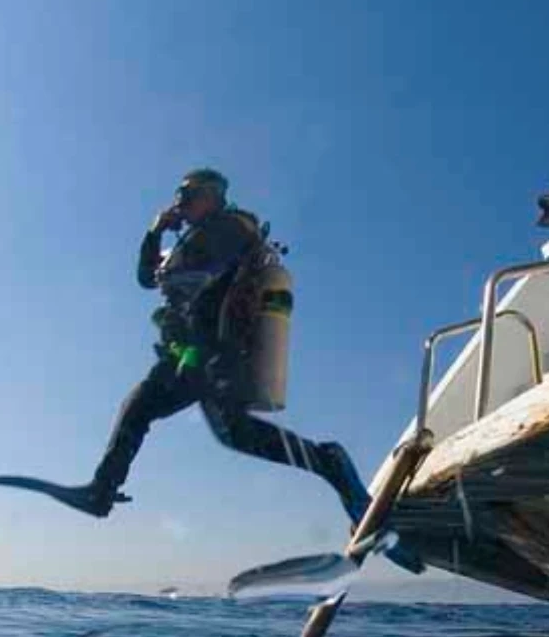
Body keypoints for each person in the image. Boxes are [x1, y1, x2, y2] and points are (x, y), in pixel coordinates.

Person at [78, 168, 370, 521]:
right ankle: (329, 462)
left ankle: (102, 489)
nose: (180, 203)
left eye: (189, 196)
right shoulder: (192, 242)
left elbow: (209, 285)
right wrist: (154, 233)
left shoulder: (230, 227)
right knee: (222, 430)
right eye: (179, 197)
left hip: (213, 350)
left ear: (213, 196)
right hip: (186, 352)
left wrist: (193, 337)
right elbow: (145, 277)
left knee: (149, 410)